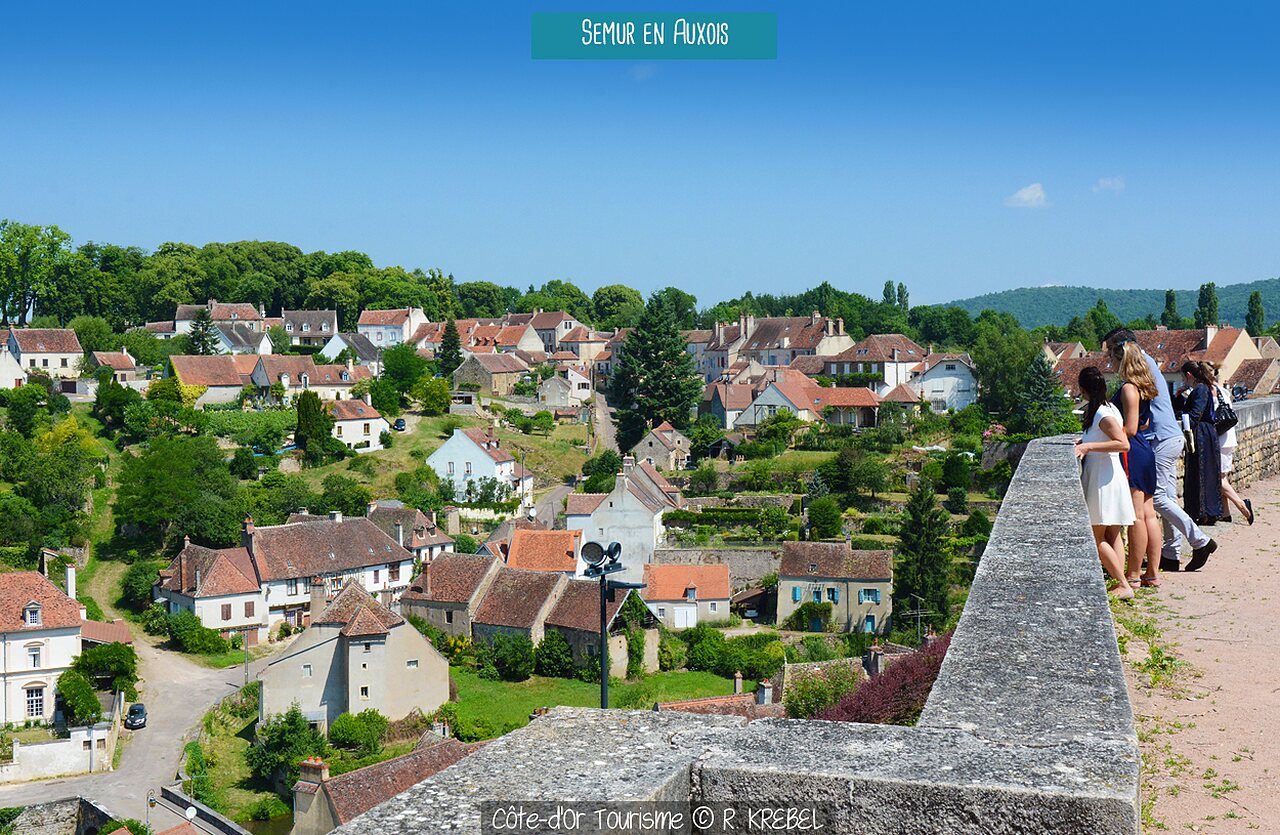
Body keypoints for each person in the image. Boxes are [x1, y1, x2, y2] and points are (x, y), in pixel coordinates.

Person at [1101, 328, 1216, 573]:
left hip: (1160, 437)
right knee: (1167, 498)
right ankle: (1171, 554)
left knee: (1158, 499)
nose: (1109, 354)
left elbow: (1137, 410)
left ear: (1123, 346)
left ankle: (1200, 541)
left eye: (1111, 349)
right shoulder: (1149, 361)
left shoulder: (1140, 364)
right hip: (1168, 435)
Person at [1075, 366, 1136, 601]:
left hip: (1102, 478)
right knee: (1113, 534)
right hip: (1109, 475)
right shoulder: (1106, 408)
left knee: (1096, 536)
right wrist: (1086, 440)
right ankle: (1118, 584)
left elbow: (1123, 444)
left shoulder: (1102, 413)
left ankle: (1122, 583)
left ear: (1083, 389)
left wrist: (1087, 446)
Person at [1112, 341, 1161, 589]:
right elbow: (1144, 423)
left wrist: (1105, 431)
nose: (1110, 363)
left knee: (1136, 517)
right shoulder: (1144, 387)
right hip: (1145, 449)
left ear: (1122, 361)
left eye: (1112, 358)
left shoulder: (1128, 389)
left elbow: (1130, 429)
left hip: (1132, 453)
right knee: (1149, 514)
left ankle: (1133, 573)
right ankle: (1152, 573)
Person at [1176, 360, 1223, 531]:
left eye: (1184, 377)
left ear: (1189, 375)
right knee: (1204, 473)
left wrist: (1182, 410)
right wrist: (1180, 399)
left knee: (1202, 473)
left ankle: (1204, 512)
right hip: (1205, 433)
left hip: (1202, 435)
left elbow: (1195, 414)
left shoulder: (1201, 389)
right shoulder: (1202, 388)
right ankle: (1203, 511)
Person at [1205, 362, 1254, 525]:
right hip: (1228, 438)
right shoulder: (1222, 390)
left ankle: (1242, 506)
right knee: (1222, 477)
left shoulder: (1211, 391)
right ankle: (1225, 513)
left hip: (1220, 439)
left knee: (1218, 479)